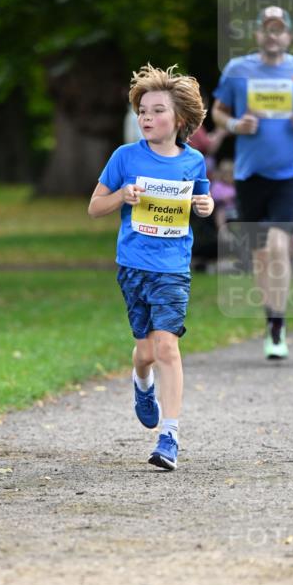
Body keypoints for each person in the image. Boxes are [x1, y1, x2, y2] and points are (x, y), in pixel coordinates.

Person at [88, 64, 213, 471]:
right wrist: (122, 195)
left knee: (166, 347)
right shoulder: (125, 157)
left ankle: (170, 435)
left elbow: (203, 199)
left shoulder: (193, 163)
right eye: (142, 110)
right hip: (133, 266)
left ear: (179, 119)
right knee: (144, 353)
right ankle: (142, 384)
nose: (146, 118)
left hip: (173, 268)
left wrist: (205, 206)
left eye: (157, 111)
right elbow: (94, 208)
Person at [211, 5, 293, 359]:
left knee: (277, 244)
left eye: (279, 29)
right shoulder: (238, 70)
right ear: (258, 34)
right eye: (266, 28)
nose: (272, 35)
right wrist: (234, 126)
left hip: (290, 172)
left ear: (288, 36)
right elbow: (218, 111)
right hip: (249, 174)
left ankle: (279, 324)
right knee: (260, 252)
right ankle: (271, 318)